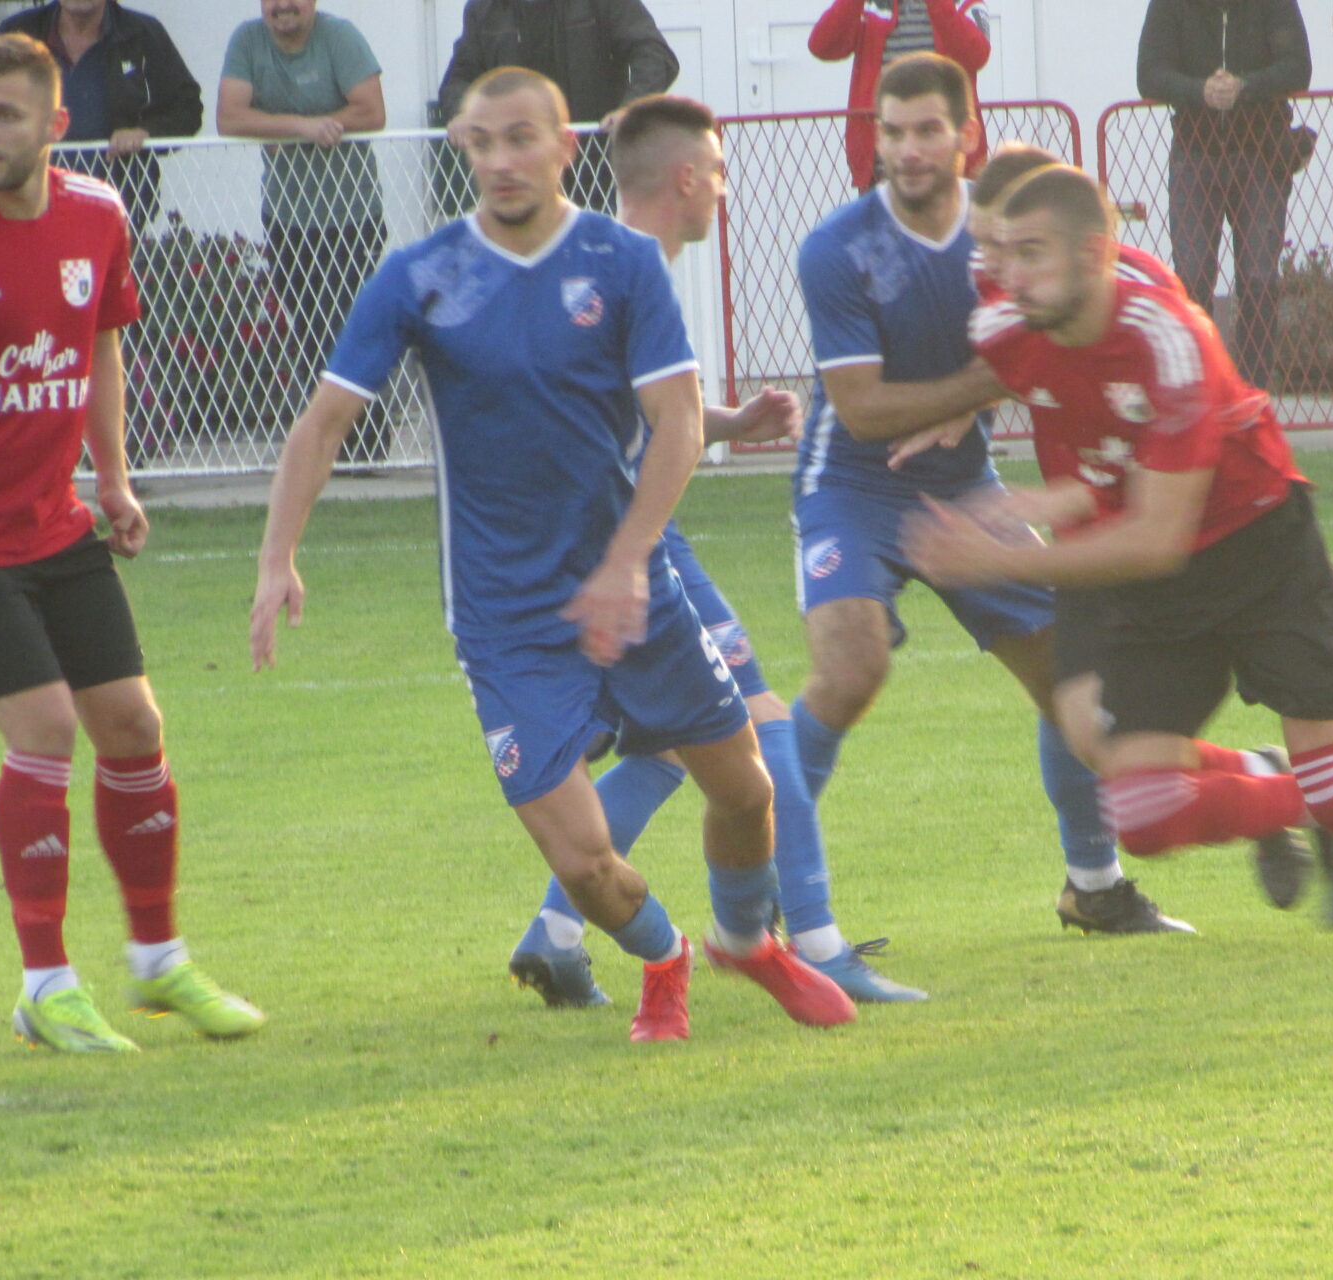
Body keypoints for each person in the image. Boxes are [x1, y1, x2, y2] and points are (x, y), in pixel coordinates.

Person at [250, 67, 856, 1042]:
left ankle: (748, 940)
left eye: (520, 138)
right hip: (505, 619)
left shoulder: (623, 262)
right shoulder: (420, 275)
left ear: (564, 147)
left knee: (747, 789)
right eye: (481, 142)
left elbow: (676, 422)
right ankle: (665, 956)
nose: (501, 160)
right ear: (463, 148)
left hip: (636, 592)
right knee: (582, 863)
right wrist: (278, 555)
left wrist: (628, 559)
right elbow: (322, 425)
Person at [905, 163, 1333, 1035]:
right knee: (1139, 813)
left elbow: (1157, 535)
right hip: (1151, 576)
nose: (1000, 271)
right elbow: (1082, 433)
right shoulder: (1004, 324)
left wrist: (998, 555)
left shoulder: (1172, 337)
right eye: (993, 248)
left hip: (1260, 553)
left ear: (1095, 254)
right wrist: (1030, 492)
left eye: (1026, 251)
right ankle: (1292, 793)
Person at [0, 34, 264, 1054]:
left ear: (54, 125)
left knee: (133, 725)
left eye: (5, 115)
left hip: (52, 521)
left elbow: (100, 340)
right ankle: (46, 986)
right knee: (44, 725)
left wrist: (111, 476)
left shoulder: (98, 214)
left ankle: (158, 962)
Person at [503, 94, 927, 1009]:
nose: (726, 192)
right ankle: (809, 942)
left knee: (672, 749)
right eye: (722, 173)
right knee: (762, 728)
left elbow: (634, 411)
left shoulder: (603, 266)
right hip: (627, 546)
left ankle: (557, 933)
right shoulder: (622, 274)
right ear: (687, 179)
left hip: (606, 541)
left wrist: (728, 420)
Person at [787, 55, 1194, 938]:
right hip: (851, 488)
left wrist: (990, 385)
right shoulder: (836, 248)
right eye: (892, 132)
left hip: (965, 488)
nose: (908, 150)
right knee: (850, 670)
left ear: (967, 135)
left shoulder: (1008, 234)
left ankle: (1094, 887)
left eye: (928, 130)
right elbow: (861, 412)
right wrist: (993, 379)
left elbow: (1081, 317)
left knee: (1071, 680)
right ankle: (768, 895)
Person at [218, 0, 390, 465]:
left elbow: (372, 111)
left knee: (348, 325)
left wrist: (321, 126)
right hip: (286, 217)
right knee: (311, 329)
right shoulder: (247, 41)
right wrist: (303, 127)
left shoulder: (340, 37)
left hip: (353, 214)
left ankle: (368, 445)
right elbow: (230, 117)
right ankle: (327, 446)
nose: (283, 7)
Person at [1137, 0, 1309, 390]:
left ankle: (1252, 395)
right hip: (1195, 153)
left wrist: (1244, 87)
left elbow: (1298, 67)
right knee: (1192, 275)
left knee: (1259, 279)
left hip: (1262, 153)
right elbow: (1149, 74)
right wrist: (1199, 91)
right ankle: (1202, 390)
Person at [437, 0, 679, 212]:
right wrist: (463, 111)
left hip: (589, 158)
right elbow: (458, 77)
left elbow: (655, 56)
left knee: (587, 240)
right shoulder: (486, 8)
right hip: (514, 161)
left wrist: (632, 108)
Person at [0, 0, 201, 237]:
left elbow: (187, 107)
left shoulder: (141, 32)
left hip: (118, 199)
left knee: (98, 262)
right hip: (30, 197)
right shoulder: (19, 33)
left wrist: (145, 132)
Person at [808, 0, 992, 192]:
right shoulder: (872, 5)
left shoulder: (964, 4)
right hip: (881, 171)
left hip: (953, 172)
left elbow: (977, 55)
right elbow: (822, 46)